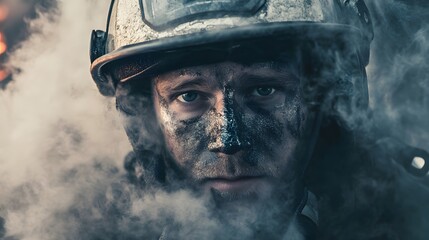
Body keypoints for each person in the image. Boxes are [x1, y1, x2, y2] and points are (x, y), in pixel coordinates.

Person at [89, 0, 429, 239]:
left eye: (264, 90)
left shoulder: (415, 219)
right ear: (146, 116)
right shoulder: (88, 228)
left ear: (324, 102)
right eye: (189, 96)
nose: (229, 140)